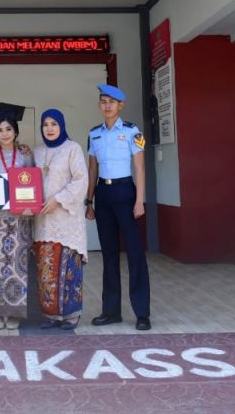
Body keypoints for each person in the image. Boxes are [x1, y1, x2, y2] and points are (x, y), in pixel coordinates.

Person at [86, 83, 152, 331]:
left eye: (112, 102)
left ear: (120, 105)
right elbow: (93, 168)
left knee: (135, 253)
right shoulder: (94, 134)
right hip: (103, 194)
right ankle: (111, 311)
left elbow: (139, 167)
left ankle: (142, 313)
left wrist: (139, 200)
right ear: (99, 105)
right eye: (103, 102)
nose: (107, 106)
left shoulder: (132, 131)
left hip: (125, 193)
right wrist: (89, 200)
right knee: (109, 254)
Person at [32, 108, 88, 330]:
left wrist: (57, 199)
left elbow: (81, 180)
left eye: (54, 124)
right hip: (43, 221)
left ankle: (71, 315)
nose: (49, 129)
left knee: (68, 267)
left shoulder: (73, 149)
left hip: (66, 220)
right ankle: (50, 315)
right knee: (46, 269)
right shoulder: (37, 152)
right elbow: (27, 179)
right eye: (45, 124)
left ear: (62, 126)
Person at [0, 110, 34, 330]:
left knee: (17, 267)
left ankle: (14, 313)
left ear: (16, 131)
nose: (4, 133)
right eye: (0, 130)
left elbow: (33, 184)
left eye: (9, 129)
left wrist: (30, 206)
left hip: (19, 219)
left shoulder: (25, 155)